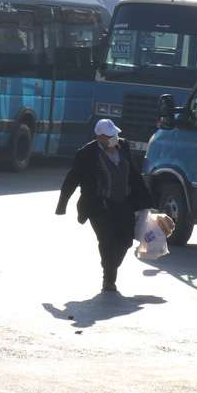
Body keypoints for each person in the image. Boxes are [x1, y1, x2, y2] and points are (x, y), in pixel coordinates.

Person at [55, 119, 153, 293]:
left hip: (124, 203)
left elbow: (134, 174)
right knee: (107, 241)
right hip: (98, 205)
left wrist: (146, 200)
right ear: (100, 137)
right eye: (110, 136)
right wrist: (62, 204)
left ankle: (110, 265)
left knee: (125, 240)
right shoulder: (86, 153)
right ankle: (109, 279)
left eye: (115, 134)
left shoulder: (123, 146)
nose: (114, 138)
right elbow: (72, 178)